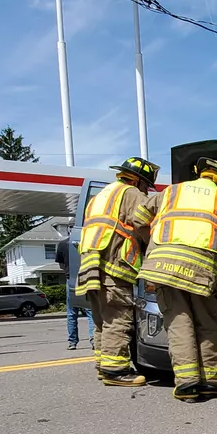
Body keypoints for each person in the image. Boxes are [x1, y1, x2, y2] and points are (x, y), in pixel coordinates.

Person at [132, 157, 217, 401]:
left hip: (165, 266)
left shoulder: (172, 191)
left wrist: (153, 241)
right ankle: (211, 382)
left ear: (198, 173)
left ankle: (187, 383)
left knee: (179, 323)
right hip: (203, 271)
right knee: (208, 323)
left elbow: (138, 218)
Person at [75, 156, 159, 386]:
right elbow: (142, 224)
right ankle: (116, 371)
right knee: (118, 319)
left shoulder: (100, 195)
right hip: (114, 265)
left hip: (91, 265)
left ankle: (104, 365)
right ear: (140, 181)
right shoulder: (132, 194)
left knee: (103, 320)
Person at [55, 236, 94, 351]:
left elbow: (61, 264)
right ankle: (93, 339)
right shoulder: (88, 240)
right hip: (86, 278)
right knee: (90, 311)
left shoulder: (62, 244)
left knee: (72, 313)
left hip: (71, 280)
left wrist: (68, 273)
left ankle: (72, 342)